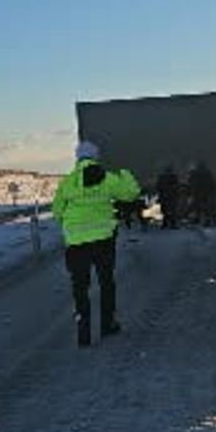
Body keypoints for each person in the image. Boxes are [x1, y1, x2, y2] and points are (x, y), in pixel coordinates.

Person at [51, 141, 141, 347]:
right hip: (103, 241)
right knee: (106, 283)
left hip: (76, 244)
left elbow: (57, 212)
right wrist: (125, 173)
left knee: (80, 289)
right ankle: (108, 325)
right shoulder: (107, 178)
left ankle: (83, 334)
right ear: (95, 157)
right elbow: (131, 193)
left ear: (78, 158)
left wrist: (72, 222)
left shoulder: (67, 182)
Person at [188, 161, 216, 227]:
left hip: (198, 192)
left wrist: (192, 191)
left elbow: (192, 182)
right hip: (205, 192)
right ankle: (207, 219)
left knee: (198, 207)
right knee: (205, 207)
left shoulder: (196, 173)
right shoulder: (208, 173)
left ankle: (198, 219)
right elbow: (212, 182)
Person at [156, 165, 180, 229]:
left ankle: (165, 223)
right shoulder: (173, 177)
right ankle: (172, 223)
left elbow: (158, 186)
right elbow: (177, 186)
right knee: (171, 210)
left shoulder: (162, 177)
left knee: (165, 209)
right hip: (171, 195)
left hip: (165, 195)